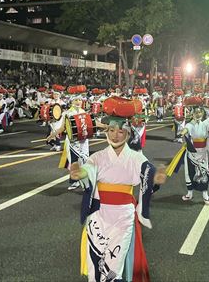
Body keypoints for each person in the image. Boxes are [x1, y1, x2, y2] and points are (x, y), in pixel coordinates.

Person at [69, 100, 166, 282]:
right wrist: (79, 172)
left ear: (128, 133)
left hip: (123, 216)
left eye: (120, 131)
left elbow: (147, 172)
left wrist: (155, 179)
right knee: (96, 263)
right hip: (98, 214)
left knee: (114, 266)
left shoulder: (136, 157)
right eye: (111, 130)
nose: (115, 135)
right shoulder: (97, 157)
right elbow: (88, 171)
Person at [49, 94, 92, 191]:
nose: (78, 102)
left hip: (83, 141)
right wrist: (52, 135)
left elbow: (91, 124)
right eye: (76, 100)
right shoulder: (67, 113)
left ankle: (85, 182)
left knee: (85, 160)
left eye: (80, 100)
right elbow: (62, 128)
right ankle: (74, 181)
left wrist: (104, 126)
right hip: (73, 142)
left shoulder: (83, 112)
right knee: (74, 161)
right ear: (71, 101)